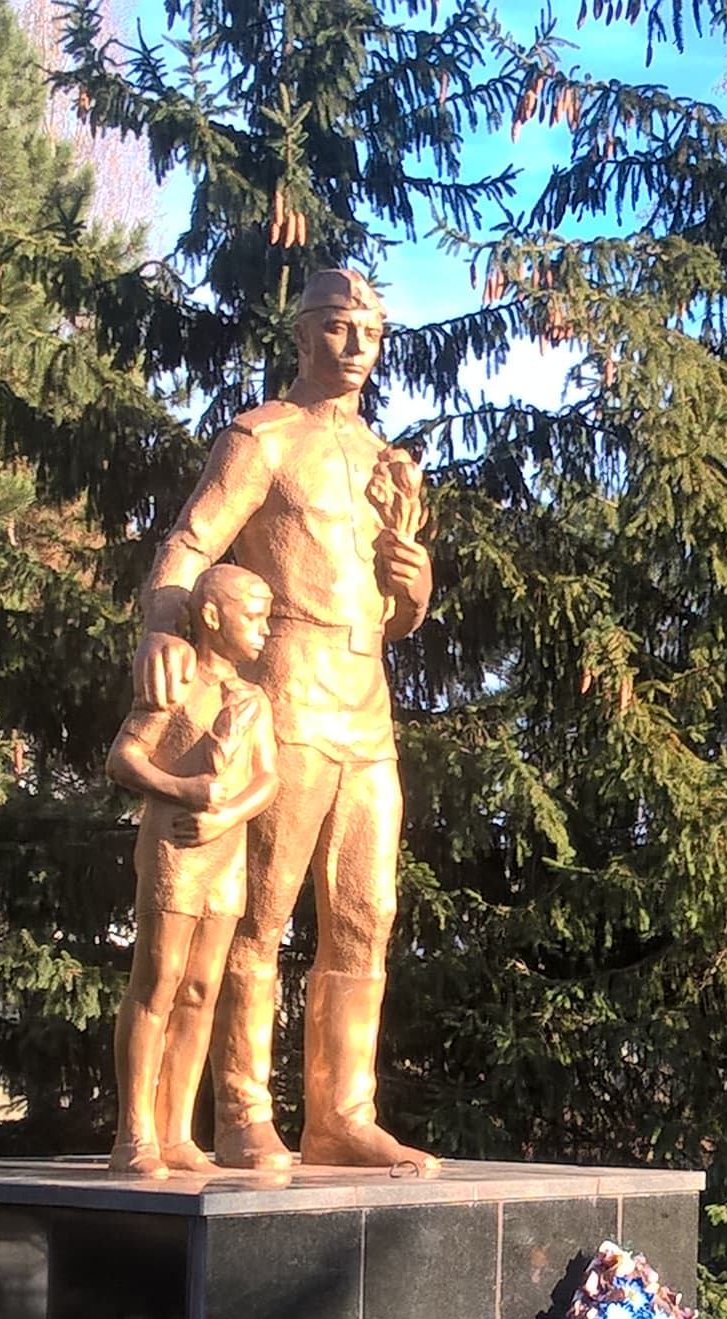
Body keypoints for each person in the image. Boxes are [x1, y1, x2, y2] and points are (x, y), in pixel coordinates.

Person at [131, 267, 439, 1170]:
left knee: (365, 913)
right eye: (339, 327)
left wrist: (414, 591)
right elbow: (191, 542)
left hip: (366, 699)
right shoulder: (263, 438)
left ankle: (342, 1115)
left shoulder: (383, 459)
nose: (356, 346)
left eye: (371, 332)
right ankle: (240, 1112)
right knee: (259, 912)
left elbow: (392, 603)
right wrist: (161, 626)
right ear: (302, 334)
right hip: (288, 686)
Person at [105, 564, 280, 1175]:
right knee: (158, 981)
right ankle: (135, 1135)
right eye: (252, 615)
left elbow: (267, 779)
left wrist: (225, 813)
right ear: (212, 616)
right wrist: (182, 789)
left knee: (203, 990)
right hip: (174, 847)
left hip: (223, 852)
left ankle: (178, 1132)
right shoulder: (176, 681)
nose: (264, 629)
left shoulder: (253, 700)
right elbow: (124, 757)